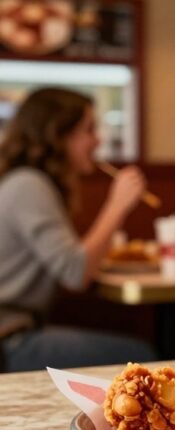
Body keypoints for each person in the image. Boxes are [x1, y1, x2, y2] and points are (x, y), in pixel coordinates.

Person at [0, 88, 156, 372]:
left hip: (16, 332)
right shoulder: (29, 185)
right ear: (57, 135)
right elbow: (75, 273)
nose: (98, 140)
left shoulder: (28, 182)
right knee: (143, 355)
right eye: (89, 130)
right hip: (8, 342)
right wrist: (117, 205)